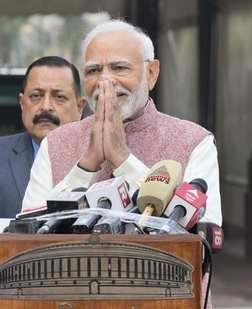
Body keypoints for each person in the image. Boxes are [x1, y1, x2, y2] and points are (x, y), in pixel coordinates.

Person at [21, 20, 220, 309]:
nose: (106, 82)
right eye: (93, 71)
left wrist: (123, 160)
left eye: (119, 68)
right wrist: (87, 165)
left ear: (151, 74)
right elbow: (24, 232)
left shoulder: (195, 141)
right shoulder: (57, 141)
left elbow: (200, 247)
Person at [0, 56, 89, 309]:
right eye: (36, 96)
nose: (46, 107)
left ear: (80, 106)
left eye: (59, 97)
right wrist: (10, 298)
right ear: (22, 102)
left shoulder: (101, 160)